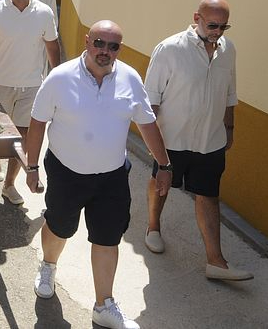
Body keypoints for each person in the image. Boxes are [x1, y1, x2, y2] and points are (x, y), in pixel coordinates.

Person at [25, 20, 172, 329]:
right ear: (87, 41)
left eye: (113, 46)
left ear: (119, 49)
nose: (105, 51)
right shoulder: (60, 78)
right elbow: (38, 122)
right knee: (60, 227)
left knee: (108, 237)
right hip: (67, 172)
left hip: (112, 177)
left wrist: (164, 165)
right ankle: (49, 265)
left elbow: (147, 124)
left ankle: (104, 305)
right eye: (100, 43)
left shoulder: (130, 78)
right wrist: (33, 166)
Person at [143, 0, 252, 281]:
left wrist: (229, 128)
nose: (217, 32)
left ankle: (216, 261)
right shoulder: (169, 49)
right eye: (212, 25)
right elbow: (150, 100)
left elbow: (229, 92)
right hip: (173, 140)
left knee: (209, 195)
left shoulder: (228, 51)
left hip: (210, 141)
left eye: (223, 26)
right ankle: (153, 227)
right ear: (197, 18)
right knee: (161, 185)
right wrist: (153, 142)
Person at [0, 0, 60, 205]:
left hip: (32, 85)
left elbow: (52, 46)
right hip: (0, 85)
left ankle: (9, 185)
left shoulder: (45, 13)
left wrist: (57, 79)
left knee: (23, 138)